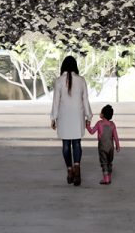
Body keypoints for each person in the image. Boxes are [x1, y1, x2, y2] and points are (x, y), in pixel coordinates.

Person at [49, 54, 93, 185]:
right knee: (77, 143)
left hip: (64, 116)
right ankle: (77, 168)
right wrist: (88, 116)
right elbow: (85, 100)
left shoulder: (58, 81)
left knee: (66, 144)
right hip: (77, 116)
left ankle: (69, 170)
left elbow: (56, 102)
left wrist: (53, 118)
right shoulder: (81, 80)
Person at [87, 104, 122, 185]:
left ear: (103, 114)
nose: (100, 113)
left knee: (104, 162)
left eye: (101, 112)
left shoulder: (99, 123)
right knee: (109, 161)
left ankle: (106, 179)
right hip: (110, 147)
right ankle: (109, 176)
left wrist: (87, 126)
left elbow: (92, 132)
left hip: (102, 147)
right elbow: (115, 136)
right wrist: (117, 146)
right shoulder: (112, 124)